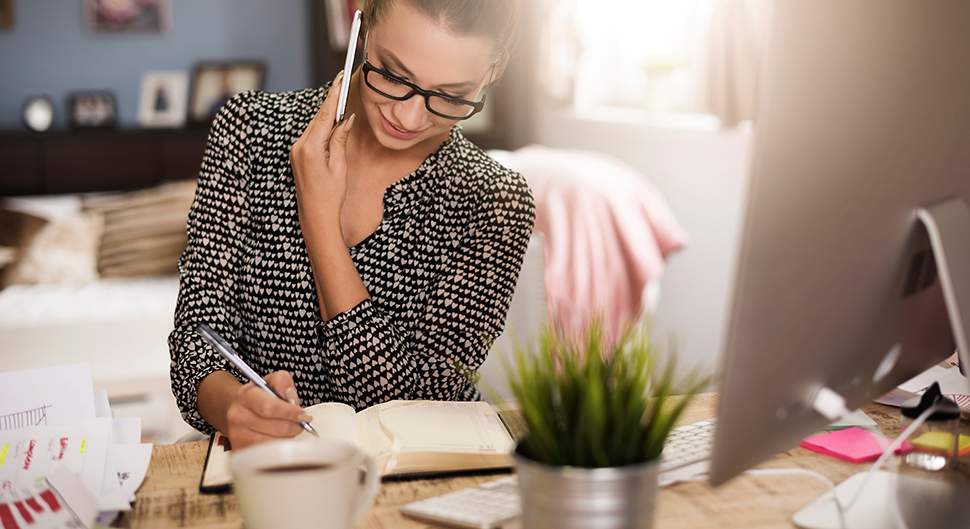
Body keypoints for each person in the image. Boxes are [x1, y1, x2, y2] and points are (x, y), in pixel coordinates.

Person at [168, 0, 534, 449]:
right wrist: (233, 407)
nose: (409, 117)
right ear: (361, 27)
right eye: (394, 76)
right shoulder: (248, 130)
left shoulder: (494, 200)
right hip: (270, 463)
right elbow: (198, 337)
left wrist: (320, 221)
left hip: (423, 470)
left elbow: (413, 406)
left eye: (451, 96)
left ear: (493, 71)